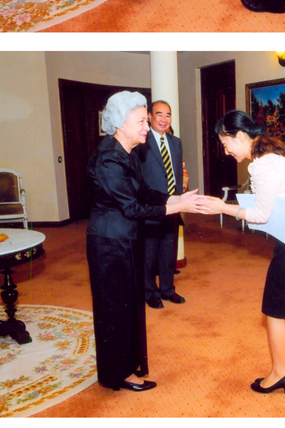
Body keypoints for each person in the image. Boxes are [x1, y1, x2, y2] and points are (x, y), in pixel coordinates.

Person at [86, 91, 207, 391]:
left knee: (129, 306)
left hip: (126, 239)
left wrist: (174, 198)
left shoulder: (128, 151)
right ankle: (118, 374)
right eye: (141, 120)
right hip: (110, 244)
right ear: (120, 122)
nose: (147, 125)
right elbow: (132, 208)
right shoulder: (108, 158)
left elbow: (144, 192)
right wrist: (176, 208)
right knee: (115, 309)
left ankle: (126, 366)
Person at [204, 110, 285, 394]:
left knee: (274, 311)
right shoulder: (273, 158)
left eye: (225, 143)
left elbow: (261, 214)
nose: (226, 150)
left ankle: (279, 372)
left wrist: (222, 207)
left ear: (240, 136)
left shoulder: (263, 165)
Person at [138, 100, 185, 308]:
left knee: (168, 249)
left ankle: (167, 290)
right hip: (151, 205)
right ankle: (150, 292)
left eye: (168, 115)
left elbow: (177, 173)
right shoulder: (141, 141)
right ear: (150, 116)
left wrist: (180, 199)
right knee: (149, 251)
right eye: (159, 114)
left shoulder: (176, 142)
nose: (164, 119)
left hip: (173, 205)